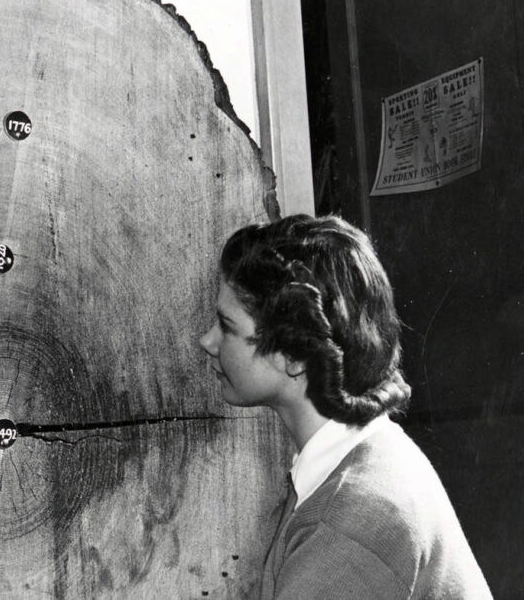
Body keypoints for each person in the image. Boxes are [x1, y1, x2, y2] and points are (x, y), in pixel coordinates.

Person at [199, 214, 491, 599]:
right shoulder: (362, 453)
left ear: (296, 356)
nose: (207, 341)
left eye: (227, 326)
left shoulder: (350, 523)